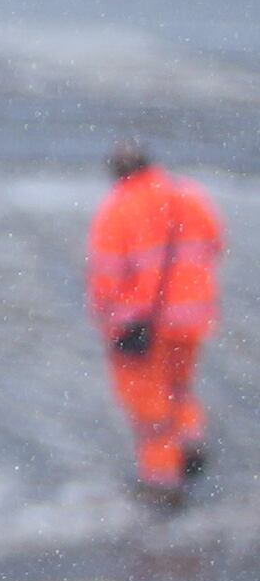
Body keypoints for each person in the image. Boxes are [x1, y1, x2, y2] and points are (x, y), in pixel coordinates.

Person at [88, 141, 220, 509]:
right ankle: (191, 441)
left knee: (148, 404)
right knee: (179, 385)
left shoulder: (117, 209)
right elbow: (214, 242)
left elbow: (106, 277)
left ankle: (162, 481)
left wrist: (109, 322)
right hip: (193, 315)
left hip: (141, 324)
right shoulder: (189, 194)